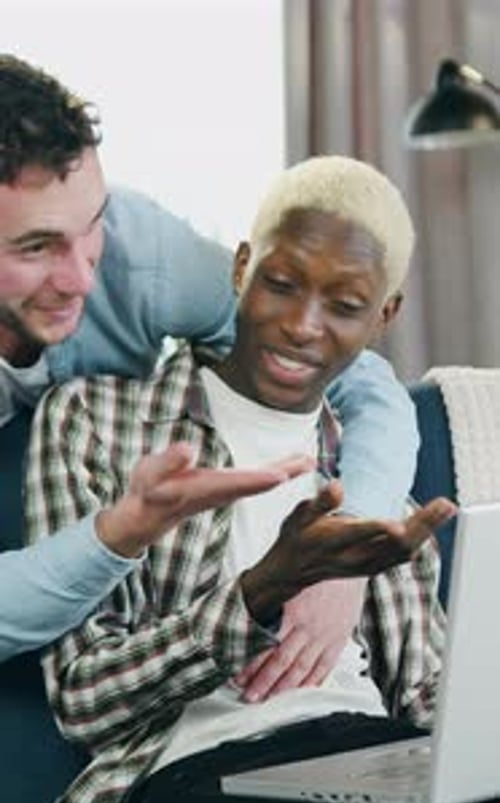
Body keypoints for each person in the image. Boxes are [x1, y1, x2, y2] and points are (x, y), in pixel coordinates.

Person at [4, 154, 489, 803]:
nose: (301, 326)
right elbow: (84, 698)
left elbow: (426, 692)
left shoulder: (370, 466)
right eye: (282, 283)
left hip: (377, 752)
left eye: (346, 305)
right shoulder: (99, 418)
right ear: (240, 270)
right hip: (202, 771)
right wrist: (260, 592)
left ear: (384, 316)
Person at [0, 54, 420, 662]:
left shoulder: (140, 248)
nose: (81, 279)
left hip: (113, 523)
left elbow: (363, 381)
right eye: (37, 248)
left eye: (90, 223)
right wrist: (121, 532)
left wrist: (346, 547)